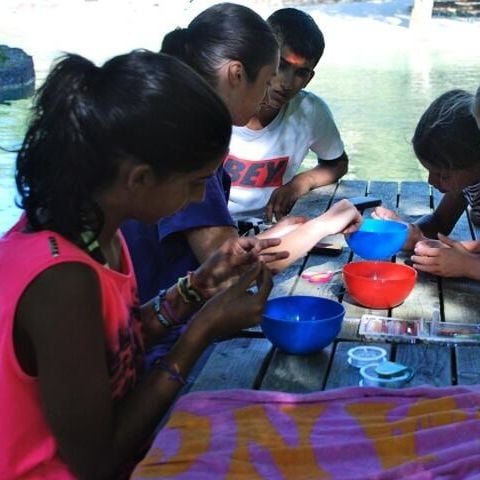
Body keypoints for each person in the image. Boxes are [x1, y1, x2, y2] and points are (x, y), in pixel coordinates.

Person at [0, 50, 292, 479]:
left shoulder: (98, 231)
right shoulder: (62, 280)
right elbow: (96, 462)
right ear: (139, 179)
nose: (200, 198)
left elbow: (113, 348)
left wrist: (197, 286)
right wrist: (201, 330)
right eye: (194, 183)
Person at [122, 2, 361, 308]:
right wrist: (324, 224)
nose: (273, 92)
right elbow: (229, 275)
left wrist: (268, 237)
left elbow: (215, 256)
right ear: (236, 75)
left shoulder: (173, 120)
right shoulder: (190, 147)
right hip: (156, 319)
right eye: (267, 80)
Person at [225, 8, 348, 226]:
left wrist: (301, 182)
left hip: (267, 226)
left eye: (301, 73)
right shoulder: (220, 102)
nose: (287, 83)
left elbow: (337, 163)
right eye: (282, 65)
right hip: (208, 224)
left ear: (309, 79)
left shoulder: (310, 111)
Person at [373, 89, 480, 279]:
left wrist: (468, 266)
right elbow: (440, 222)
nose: (431, 181)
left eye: (443, 175)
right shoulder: (465, 181)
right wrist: (412, 234)